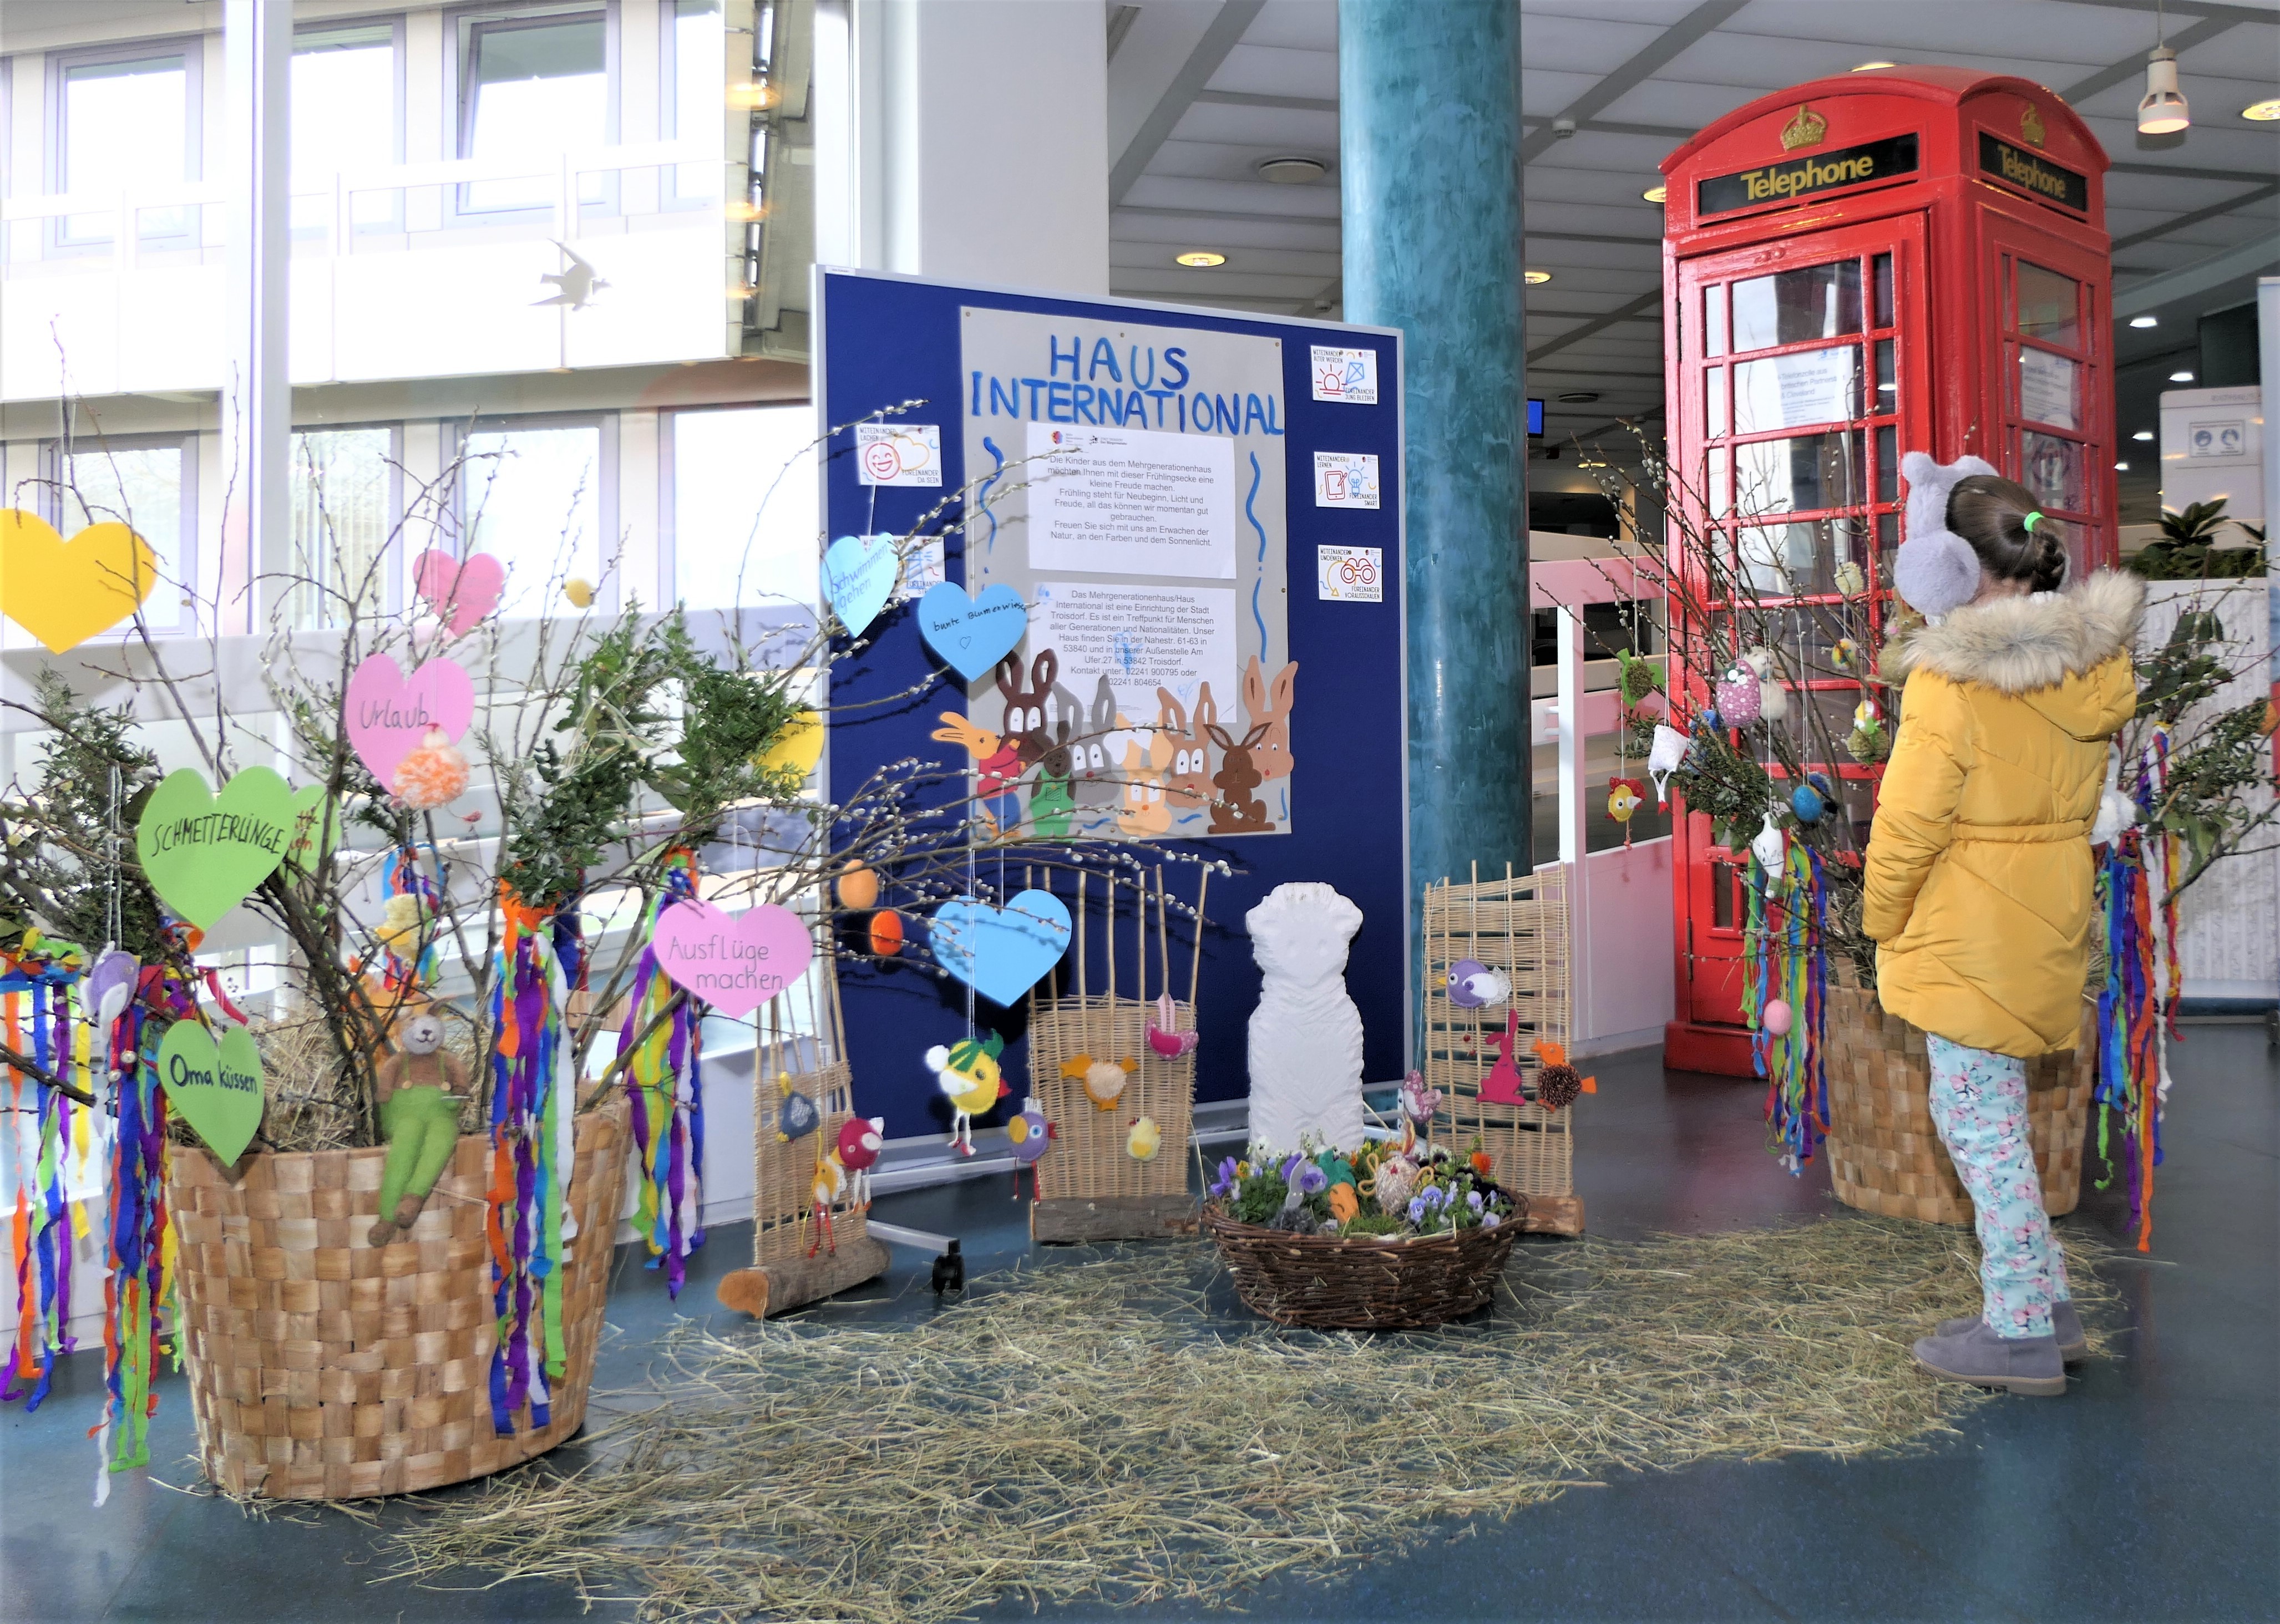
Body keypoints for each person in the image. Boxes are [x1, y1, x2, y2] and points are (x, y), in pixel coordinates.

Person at [1865, 464, 2142, 1397]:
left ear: (1948, 565)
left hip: (1964, 924)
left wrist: (1878, 918)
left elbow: (1907, 826)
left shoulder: (1950, 685)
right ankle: (2045, 1307)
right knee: (1991, 1119)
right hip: (2043, 912)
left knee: (1978, 1130)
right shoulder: (2089, 664)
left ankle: (2017, 1330)